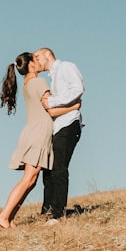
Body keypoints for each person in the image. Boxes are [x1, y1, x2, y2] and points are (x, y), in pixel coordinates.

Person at [0, 52, 80, 229]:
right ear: (32, 65)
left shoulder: (27, 84)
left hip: (31, 131)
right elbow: (51, 109)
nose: (40, 62)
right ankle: (3, 217)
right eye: (36, 59)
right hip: (39, 132)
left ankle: (9, 219)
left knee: (31, 179)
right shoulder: (39, 83)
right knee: (29, 178)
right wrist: (74, 106)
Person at [34, 48, 84, 223]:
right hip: (57, 127)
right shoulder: (51, 77)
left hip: (69, 124)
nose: (35, 60)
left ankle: (57, 213)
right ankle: (46, 210)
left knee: (59, 167)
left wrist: (52, 102)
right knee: (48, 170)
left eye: (37, 56)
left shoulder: (66, 67)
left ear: (48, 54)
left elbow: (78, 89)